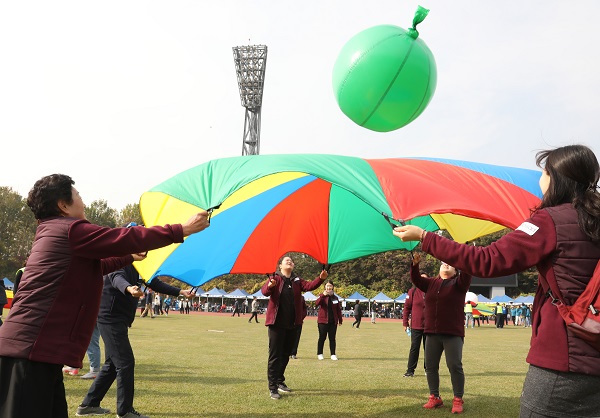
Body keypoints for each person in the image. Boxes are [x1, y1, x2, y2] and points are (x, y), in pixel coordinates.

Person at [393, 144, 600, 417]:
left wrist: (425, 237)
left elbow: (487, 259)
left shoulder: (549, 221)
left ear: (556, 177)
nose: (541, 180)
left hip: (563, 359)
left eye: (545, 171)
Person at [0, 173, 210, 418]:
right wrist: (181, 229)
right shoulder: (70, 230)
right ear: (63, 205)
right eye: (78, 195)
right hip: (29, 352)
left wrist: (129, 256)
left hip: (34, 352)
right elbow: (124, 237)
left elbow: (95, 266)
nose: (84, 202)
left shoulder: (53, 232)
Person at [76, 262, 194, 418]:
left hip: (119, 319)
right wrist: (129, 288)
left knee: (112, 364)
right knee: (125, 363)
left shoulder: (140, 265)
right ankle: (125, 411)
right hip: (110, 318)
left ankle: (88, 405)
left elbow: (154, 282)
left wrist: (180, 291)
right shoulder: (120, 260)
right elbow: (117, 277)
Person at [261, 255, 327, 400]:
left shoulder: (297, 280)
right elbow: (264, 291)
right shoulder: (275, 279)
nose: (289, 261)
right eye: (286, 260)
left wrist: (321, 278)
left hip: (293, 325)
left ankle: (279, 381)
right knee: (275, 356)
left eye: (291, 260)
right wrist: (270, 285)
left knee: (286, 355)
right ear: (280, 266)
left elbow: (310, 286)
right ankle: (272, 388)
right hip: (276, 324)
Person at [403, 285, 426, 377]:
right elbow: (406, 308)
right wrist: (405, 323)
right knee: (414, 348)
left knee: (429, 350)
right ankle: (410, 370)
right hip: (416, 325)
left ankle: (428, 370)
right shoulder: (413, 292)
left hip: (430, 327)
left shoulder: (432, 291)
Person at [315, 281, 343, 361]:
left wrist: (340, 320)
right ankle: (320, 353)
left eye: (330, 286)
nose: (329, 288)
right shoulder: (322, 296)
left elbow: (338, 310)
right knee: (322, 338)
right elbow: (316, 303)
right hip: (322, 321)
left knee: (332, 338)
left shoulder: (335, 298)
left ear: (332, 287)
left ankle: (333, 354)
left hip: (333, 321)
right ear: (325, 287)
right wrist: (322, 296)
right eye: (327, 286)